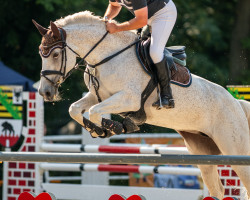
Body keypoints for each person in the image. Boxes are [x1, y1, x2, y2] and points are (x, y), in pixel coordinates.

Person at [104, 0, 177, 109]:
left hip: (163, 14)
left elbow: (141, 21)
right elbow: (114, 5)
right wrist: (105, 19)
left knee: (155, 52)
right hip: (147, 17)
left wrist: (117, 28)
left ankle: (167, 95)